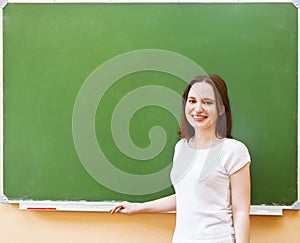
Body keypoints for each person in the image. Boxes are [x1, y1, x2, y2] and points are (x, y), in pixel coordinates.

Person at [111, 74, 251, 243]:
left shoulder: (234, 150)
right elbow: (187, 196)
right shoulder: (181, 147)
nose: (198, 108)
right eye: (192, 101)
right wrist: (138, 207)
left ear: (221, 109)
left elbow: (241, 211)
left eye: (207, 102)